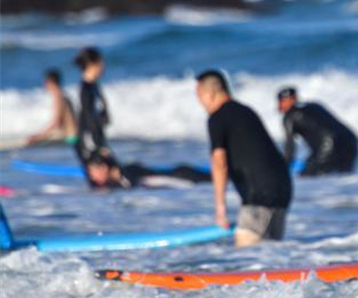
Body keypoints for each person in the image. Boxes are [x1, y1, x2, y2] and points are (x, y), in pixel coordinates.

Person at [196, 70, 292, 246]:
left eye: (199, 96)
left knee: (248, 259)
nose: (199, 102)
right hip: (283, 189)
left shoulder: (217, 118)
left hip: (259, 196)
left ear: (210, 93)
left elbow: (219, 162)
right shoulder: (246, 111)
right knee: (273, 262)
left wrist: (220, 209)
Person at [278, 87, 358, 176]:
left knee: (307, 177)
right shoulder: (315, 105)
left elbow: (290, 146)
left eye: (282, 101)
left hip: (329, 146)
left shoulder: (289, 116)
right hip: (351, 142)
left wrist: (283, 169)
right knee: (343, 178)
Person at [82, 153, 210, 190]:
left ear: (104, 167)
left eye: (94, 172)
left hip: (184, 177)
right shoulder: (123, 175)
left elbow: (130, 186)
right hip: (181, 175)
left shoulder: (127, 173)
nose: (93, 177)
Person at [75, 47, 113, 162]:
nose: (103, 66)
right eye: (101, 62)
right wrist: (98, 145)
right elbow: (87, 115)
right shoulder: (85, 88)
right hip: (90, 137)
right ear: (92, 64)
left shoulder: (94, 85)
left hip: (97, 133)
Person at [26, 69, 79, 147]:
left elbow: (56, 124)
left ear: (49, 82)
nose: (44, 84)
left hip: (71, 139)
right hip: (76, 136)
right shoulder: (65, 95)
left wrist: (38, 137)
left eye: (45, 82)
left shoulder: (58, 97)